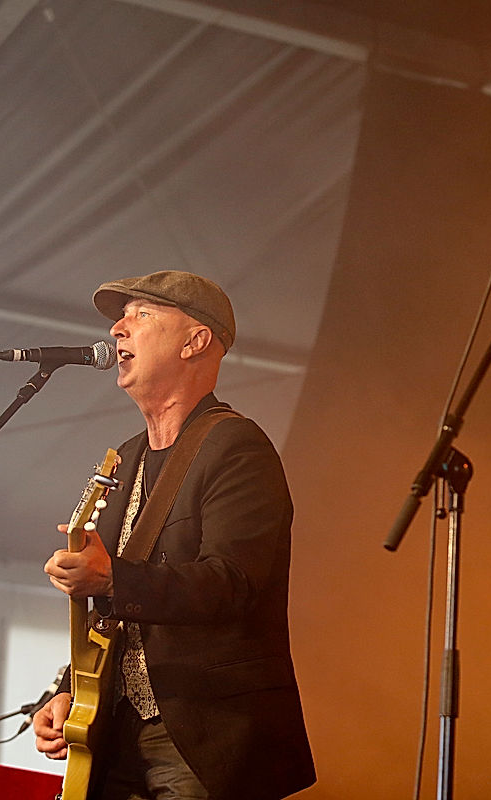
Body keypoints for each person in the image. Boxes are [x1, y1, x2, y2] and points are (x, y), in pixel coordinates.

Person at [32, 270, 316, 800]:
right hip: (114, 734)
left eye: (141, 315)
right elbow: (113, 614)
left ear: (195, 341)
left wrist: (111, 577)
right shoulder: (122, 460)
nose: (117, 329)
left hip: (203, 736)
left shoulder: (237, 447)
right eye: (121, 318)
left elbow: (232, 583)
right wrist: (69, 690)